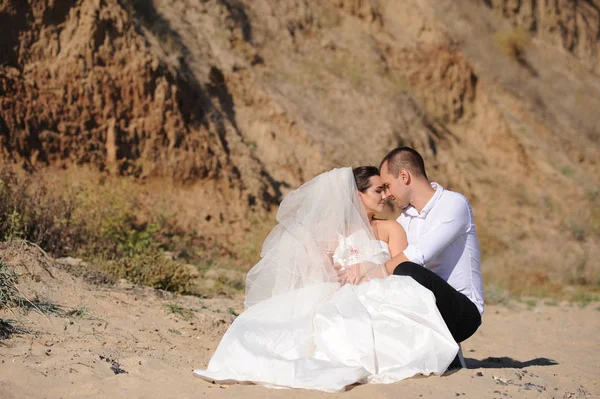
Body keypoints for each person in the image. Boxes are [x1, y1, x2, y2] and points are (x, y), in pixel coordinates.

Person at [193, 167, 458, 392]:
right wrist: (335, 273)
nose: (385, 196)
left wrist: (367, 270)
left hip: (383, 292)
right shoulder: (332, 234)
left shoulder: (390, 228)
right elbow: (321, 268)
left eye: (384, 189)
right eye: (378, 190)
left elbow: (402, 268)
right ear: (358, 195)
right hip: (343, 294)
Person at [378, 147, 484, 362]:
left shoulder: (454, 204)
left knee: (405, 269)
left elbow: (418, 255)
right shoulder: (403, 220)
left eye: (388, 186)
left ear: (404, 176)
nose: (387, 194)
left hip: (463, 313)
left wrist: (372, 274)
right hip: (426, 308)